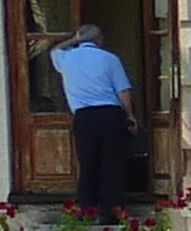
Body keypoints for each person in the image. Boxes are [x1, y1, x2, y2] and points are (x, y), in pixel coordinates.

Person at [54, 22, 139, 211]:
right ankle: (112, 212)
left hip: (84, 117)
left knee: (88, 165)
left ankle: (87, 210)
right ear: (99, 39)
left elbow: (55, 49)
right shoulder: (110, 59)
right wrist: (130, 116)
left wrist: (74, 39)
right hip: (110, 115)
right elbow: (123, 91)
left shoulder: (66, 58)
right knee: (112, 165)